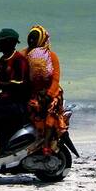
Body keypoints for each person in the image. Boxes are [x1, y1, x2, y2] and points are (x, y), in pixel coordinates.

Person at [25, 24, 67, 157]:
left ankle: (47, 144)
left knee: (51, 110)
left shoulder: (51, 56)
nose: (31, 41)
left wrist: (48, 94)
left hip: (50, 92)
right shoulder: (24, 54)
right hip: (33, 92)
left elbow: (56, 79)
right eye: (30, 38)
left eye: (34, 38)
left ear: (41, 40)